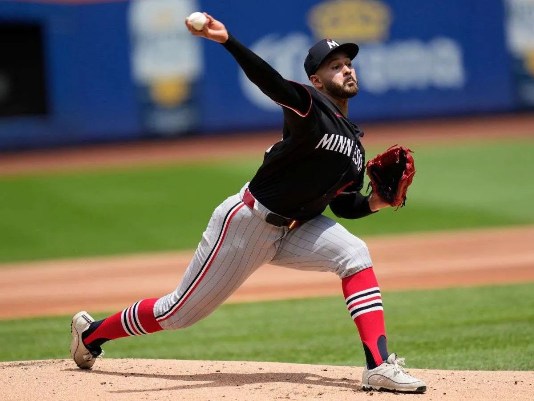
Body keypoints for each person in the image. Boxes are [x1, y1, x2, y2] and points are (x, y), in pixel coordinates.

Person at [70, 12, 427, 393]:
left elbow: (343, 206)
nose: (347, 70)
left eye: (349, 64)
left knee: (354, 255)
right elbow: (270, 82)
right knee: (177, 313)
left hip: (297, 228)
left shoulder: (355, 146)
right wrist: (228, 41)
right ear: (316, 80)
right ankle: (92, 334)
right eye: (335, 66)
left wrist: (377, 202)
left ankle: (377, 365)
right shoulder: (309, 106)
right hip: (248, 223)